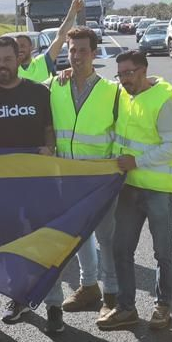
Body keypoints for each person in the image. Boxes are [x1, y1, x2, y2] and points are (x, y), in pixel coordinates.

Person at [0, 37, 63, 332]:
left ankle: (53, 306)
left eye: (7, 59)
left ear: (19, 60)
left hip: (39, 183)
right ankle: (18, 299)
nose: (1, 65)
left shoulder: (38, 92)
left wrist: (49, 148)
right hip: (1, 186)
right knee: (11, 245)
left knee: (45, 245)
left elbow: (49, 130)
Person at [108, 48, 172, 331]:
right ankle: (126, 307)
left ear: (144, 70)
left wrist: (137, 161)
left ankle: (163, 305)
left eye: (128, 73)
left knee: (162, 252)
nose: (124, 79)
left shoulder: (163, 101)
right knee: (121, 249)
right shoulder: (122, 94)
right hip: (129, 187)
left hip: (158, 190)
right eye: (120, 74)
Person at [50, 27, 122, 316]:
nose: (76, 56)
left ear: (94, 53)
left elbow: (121, 132)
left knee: (107, 238)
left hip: (102, 179)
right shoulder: (55, 85)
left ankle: (113, 295)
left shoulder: (112, 91)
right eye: (72, 50)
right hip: (67, 178)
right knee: (79, 236)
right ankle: (88, 286)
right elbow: (23, 87)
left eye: (82, 50)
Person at [0, 0, 83, 84]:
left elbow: (60, 36)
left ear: (31, 47)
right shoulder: (11, 67)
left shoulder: (43, 62)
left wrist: (73, 11)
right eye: (16, 46)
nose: (20, 49)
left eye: (23, 46)